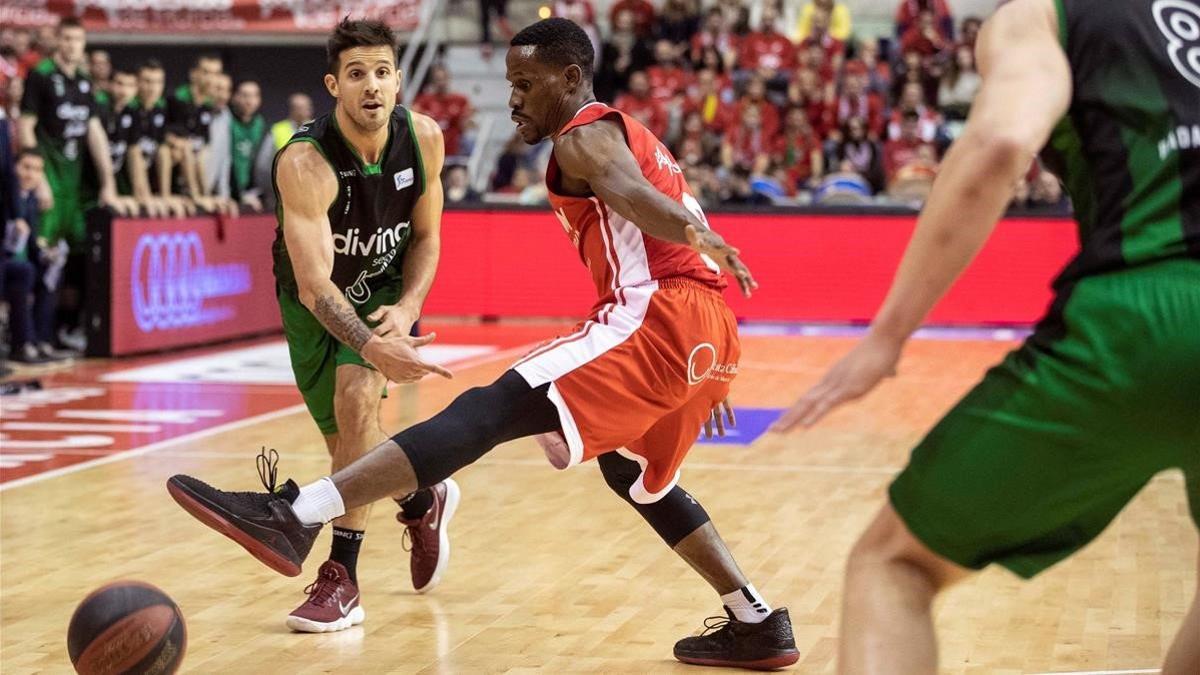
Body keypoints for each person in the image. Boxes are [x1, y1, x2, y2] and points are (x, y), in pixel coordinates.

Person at [167, 17, 801, 670]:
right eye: (510, 83)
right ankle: (754, 617)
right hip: (706, 330)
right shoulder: (627, 133)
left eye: (526, 83)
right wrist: (711, 370)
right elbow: (661, 211)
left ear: (572, 78)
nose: (514, 98)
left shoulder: (583, 136)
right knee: (631, 471)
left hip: (656, 315)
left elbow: (638, 200)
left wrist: (701, 237)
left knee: (492, 406)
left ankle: (298, 513)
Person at [771, 0, 1200, 672]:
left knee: (893, 565)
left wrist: (888, 336)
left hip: (1148, 312)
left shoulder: (1041, 15)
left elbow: (1002, 140)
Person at [197, 18, 462, 633]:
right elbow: (317, 286)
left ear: (398, 80)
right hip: (314, 301)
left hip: (385, 289)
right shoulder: (305, 162)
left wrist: (406, 308)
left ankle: (341, 578)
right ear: (333, 86)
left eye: (382, 71)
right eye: (356, 74)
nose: (371, 85)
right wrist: (371, 343)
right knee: (349, 443)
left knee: (355, 403)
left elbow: (426, 238)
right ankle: (422, 500)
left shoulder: (423, 138)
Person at [17, 17, 131, 352]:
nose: (71, 45)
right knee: (39, 255)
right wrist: (37, 180)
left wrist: (108, 182)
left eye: (77, 39)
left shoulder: (82, 83)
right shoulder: (40, 76)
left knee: (72, 260)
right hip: (49, 177)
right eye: (66, 39)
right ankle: (27, 337)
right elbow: (26, 128)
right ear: (58, 43)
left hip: (74, 183)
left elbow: (94, 132)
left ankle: (58, 332)